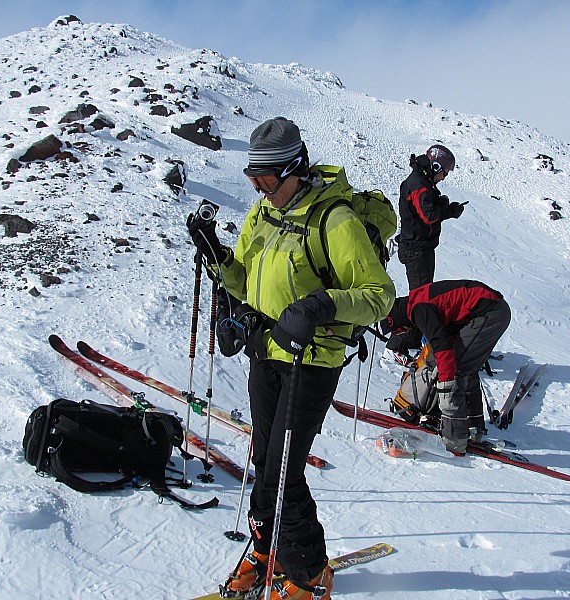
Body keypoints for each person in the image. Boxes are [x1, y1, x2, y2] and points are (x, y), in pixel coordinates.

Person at [187, 117, 395, 600]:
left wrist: (320, 305)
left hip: (311, 360)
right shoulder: (262, 215)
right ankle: (266, 551)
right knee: (264, 459)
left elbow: (378, 296)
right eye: (252, 179)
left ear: (296, 169)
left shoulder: (335, 220)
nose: (260, 189)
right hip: (266, 353)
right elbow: (243, 280)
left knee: (283, 467)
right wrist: (215, 254)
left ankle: (308, 571)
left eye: (267, 179)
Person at [380, 279, 511, 454]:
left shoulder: (419, 308)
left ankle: (455, 438)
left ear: (394, 320)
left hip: (488, 313)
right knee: (466, 368)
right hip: (493, 310)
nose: (400, 334)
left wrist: (446, 380)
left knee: (456, 370)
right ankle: (473, 427)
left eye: (397, 331)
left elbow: (442, 347)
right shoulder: (418, 301)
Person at [397, 144, 466, 290]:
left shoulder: (423, 182)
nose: (443, 178)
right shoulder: (418, 185)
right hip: (416, 249)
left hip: (421, 247)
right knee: (421, 297)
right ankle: (414, 314)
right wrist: (443, 205)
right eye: (445, 173)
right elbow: (428, 216)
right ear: (436, 167)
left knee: (424, 294)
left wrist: (449, 211)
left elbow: (428, 213)